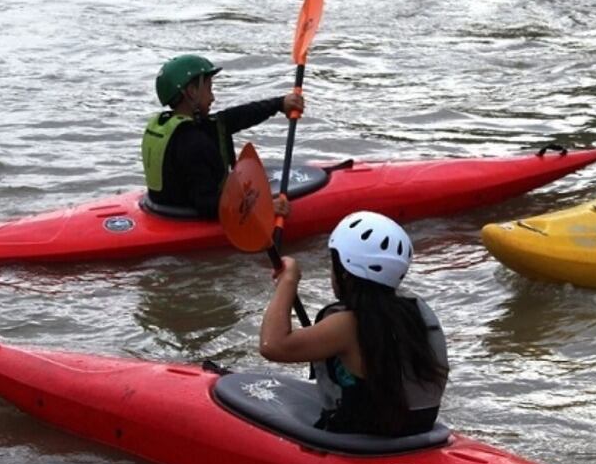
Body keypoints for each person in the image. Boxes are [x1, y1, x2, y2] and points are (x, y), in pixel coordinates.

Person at [259, 211, 448, 437]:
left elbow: (272, 345)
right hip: (418, 433)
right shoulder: (416, 312)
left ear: (345, 274)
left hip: (362, 441)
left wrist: (288, 281)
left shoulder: (346, 325)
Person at [141, 54, 304, 218]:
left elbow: (235, 117)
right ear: (191, 92)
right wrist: (263, 207)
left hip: (161, 207)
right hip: (187, 218)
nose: (213, 97)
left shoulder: (166, 126)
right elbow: (208, 205)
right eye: (209, 89)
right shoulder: (194, 143)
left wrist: (279, 104)